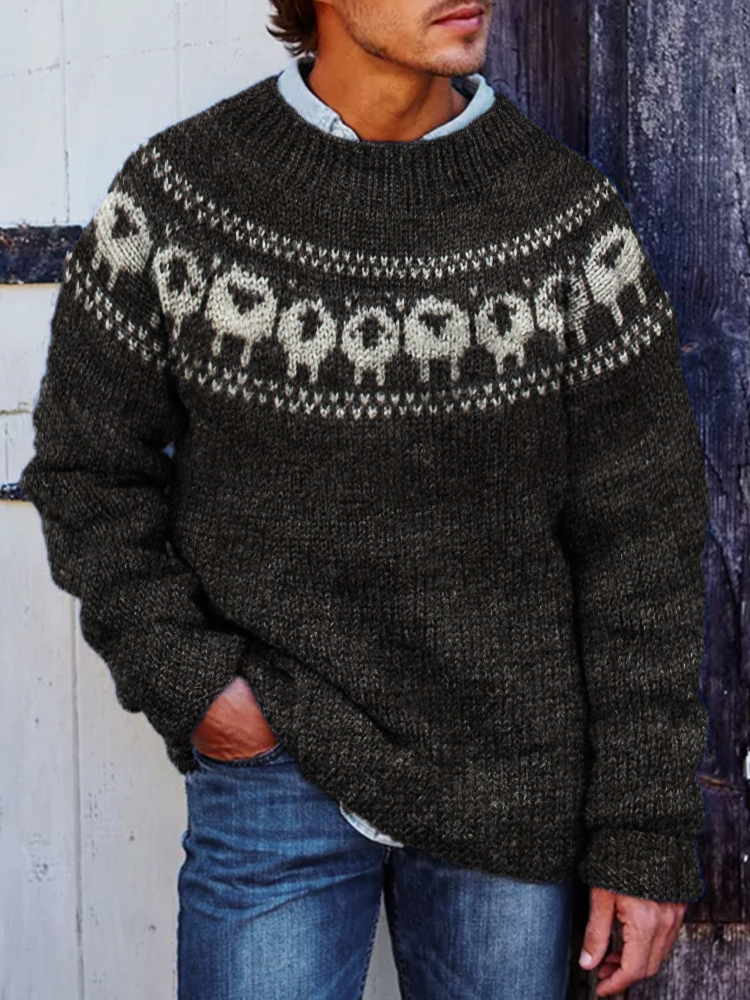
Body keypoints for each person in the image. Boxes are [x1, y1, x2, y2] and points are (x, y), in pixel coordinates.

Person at [19, 1, 711, 998]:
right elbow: (89, 469)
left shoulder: (566, 222)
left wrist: (643, 835)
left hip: (511, 788)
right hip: (275, 775)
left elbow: (642, 541)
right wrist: (196, 684)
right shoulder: (183, 198)